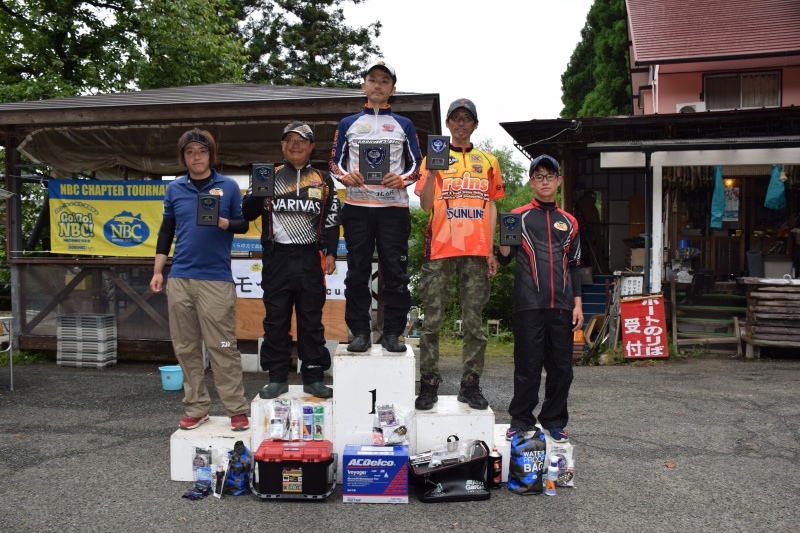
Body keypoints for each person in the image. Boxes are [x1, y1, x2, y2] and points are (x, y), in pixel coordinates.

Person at [150, 128, 250, 432]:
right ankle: (196, 407)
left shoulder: (229, 186)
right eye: (190, 152)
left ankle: (236, 408)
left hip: (216, 280)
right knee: (186, 347)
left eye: (202, 151)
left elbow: (243, 224)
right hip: (180, 277)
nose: (196, 157)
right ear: (183, 156)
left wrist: (223, 222)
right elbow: (166, 231)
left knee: (222, 345)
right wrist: (158, 271)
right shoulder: (175, 189)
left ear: (211, 155)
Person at [413, 98, 504, 411]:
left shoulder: (488, 161)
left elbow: (491, 204)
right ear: (448, 124)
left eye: (467, 118)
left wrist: (490, 248)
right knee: (432, 323)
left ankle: (471, 385)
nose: (461, 123)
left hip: (476, 251)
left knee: (474, 323)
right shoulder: (434, 155)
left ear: (475, 124)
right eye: (456, 118)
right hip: (439, 248)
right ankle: (428, 384)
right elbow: (425, 204)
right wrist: (430, 174)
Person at [242, 121, 340, 399]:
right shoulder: (267, 175)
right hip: (277, 257)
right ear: (282, 146)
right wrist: (259, 190)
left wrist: (331, 253)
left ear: (311, 147)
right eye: (290, 140)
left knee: (311, 320)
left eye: (302, 140)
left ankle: (313, 376)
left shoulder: (323, 179)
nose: (295, 145)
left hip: (310, 257)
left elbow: (332, 221)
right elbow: (247, 213)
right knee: (276, 319)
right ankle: (277, 377)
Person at [330, 61, 422, 353]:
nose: (378, 85)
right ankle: (359, 332)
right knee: (357, 271)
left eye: (384, 81)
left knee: (395, 272)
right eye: (373, 80)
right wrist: (346, 176)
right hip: (357, 207)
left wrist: (403, 179)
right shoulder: (348, 124)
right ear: (364, 86)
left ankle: (393, 333)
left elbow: (418, 165)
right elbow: (333, 161)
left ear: (392, 89)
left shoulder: (404, 125)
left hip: (393, 210)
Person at [498, 154, 583, 443]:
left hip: (562, 306)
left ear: (558, 181)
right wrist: (503, 242)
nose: (544, 181)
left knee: (561, 369)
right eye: (538, 176)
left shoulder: (569, 221)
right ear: (531, 181)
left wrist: (578, 305)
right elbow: (504, 259)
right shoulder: (517, 215)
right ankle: (521, 419)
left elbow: (574, 265)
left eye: (550, 176)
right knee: (527, 366)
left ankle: (554, 420)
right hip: (528, 303)